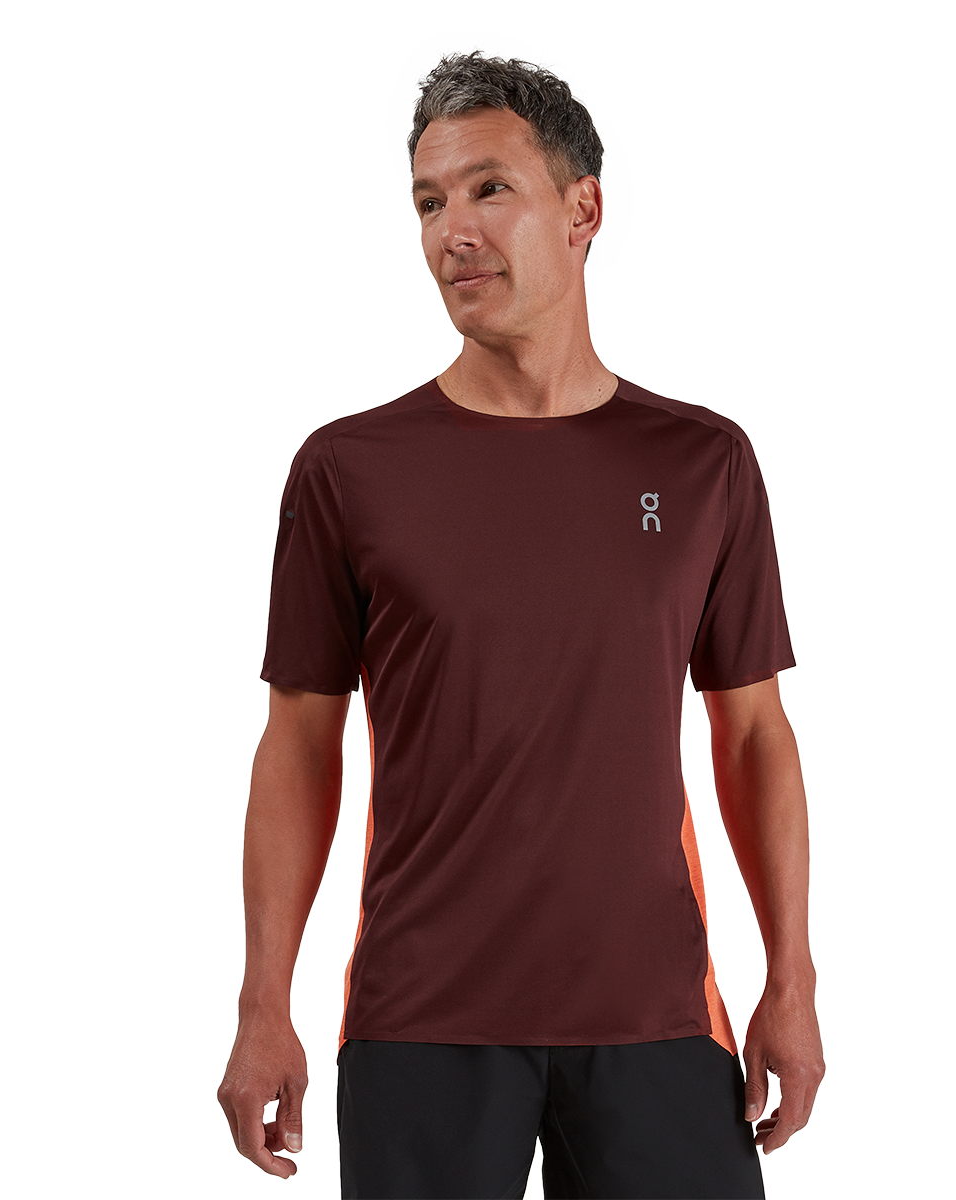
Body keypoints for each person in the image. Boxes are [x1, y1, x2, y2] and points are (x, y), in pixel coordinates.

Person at [217, 50, 825, 1198]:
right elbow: (297, 746)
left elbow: (753, 737)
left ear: (582, 209)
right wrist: (262, 1009)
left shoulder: (700, 463)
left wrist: (789, 987)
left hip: (656, 1020)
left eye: (490, 189)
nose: (454, 231)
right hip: (423, 1024)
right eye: (429, 202)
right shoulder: (350, 469)